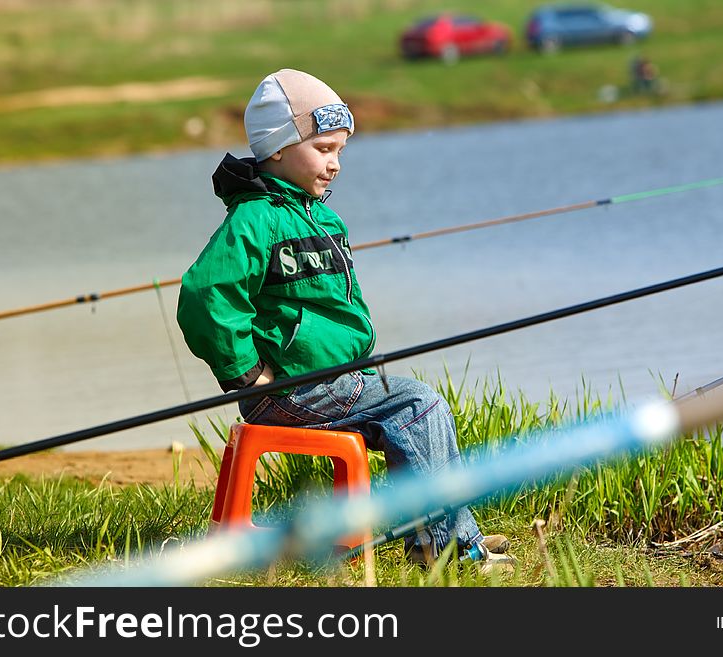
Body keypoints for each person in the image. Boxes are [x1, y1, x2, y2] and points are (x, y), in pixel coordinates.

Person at [176, 68, 516, 574]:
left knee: (422, 407)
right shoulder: (255, 219)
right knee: (418, 407)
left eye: (340, 152)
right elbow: (204, 297)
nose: (335, 165)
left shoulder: (323, 218)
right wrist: (246, 374)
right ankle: (449, 549)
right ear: (277, 150)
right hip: (291, 389)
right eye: (323, 149)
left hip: (332, 380)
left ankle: (449, 530)